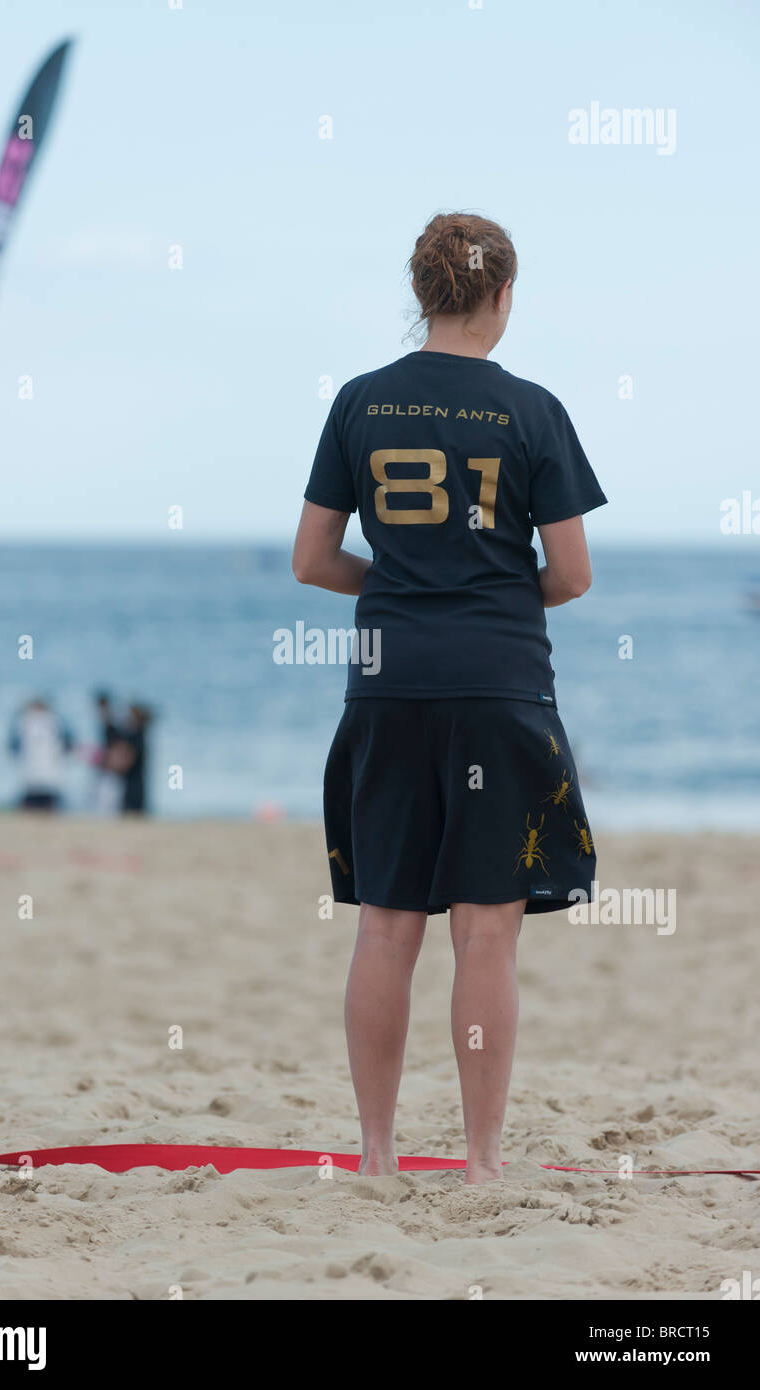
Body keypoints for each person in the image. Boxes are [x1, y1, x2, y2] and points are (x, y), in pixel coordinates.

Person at [292, 212, 607, 1184]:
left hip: (390, 684)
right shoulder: (531, 410)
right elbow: (571, 575)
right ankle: (479, 1159)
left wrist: (399, 589)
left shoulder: (359, 403)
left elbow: (311, 560)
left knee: (386, 923)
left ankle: (378, 1157)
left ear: (420, 291)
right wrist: (492, 590)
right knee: (484, 929)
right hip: (498, 682)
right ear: (502, 296)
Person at [8, 697, 74, 811]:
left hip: (31, 777)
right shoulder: (56, 720)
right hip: (51, 777)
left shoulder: (22, 721)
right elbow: (68, 745)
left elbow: (13, 747)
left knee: (30, 811)